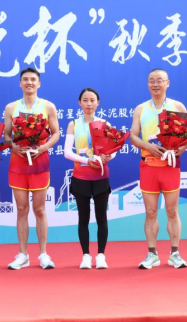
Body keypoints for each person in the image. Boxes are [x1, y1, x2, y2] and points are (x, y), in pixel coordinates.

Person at [130, 68, 187, 269]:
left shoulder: (177, 106)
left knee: (172, 211)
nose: (155, 84)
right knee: (150, 212)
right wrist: (149, 146)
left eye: (159, 80)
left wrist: (180, 149)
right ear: (148, 84)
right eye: (151, 81)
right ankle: (152, 254)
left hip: (170, 165)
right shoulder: (141, 109)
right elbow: (133, 136)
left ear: (168, 83)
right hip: (149, 164)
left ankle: (175, 253)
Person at [3, 67, 60, 269]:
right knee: (21, 209)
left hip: (39, 161)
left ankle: (43, 254)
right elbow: (6, 135)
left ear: (39, 83)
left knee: (39, 209)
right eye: (25, 79)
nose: (29, 82)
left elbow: (56, 133)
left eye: (33, 79)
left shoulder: (48, 106)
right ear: (20, 83)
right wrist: (13, 146)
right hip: (18, 162)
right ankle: (22, 254)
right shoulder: (11, 108)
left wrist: (43, 147)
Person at [63, 88, 114, 269]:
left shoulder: (105, 124)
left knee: (101, 217)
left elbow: (112, 150)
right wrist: (87, 160)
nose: (89, 104)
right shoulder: (73, 124)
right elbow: (67, 152)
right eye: (85, 100)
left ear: (98, 103)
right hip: (81, 176)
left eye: (92, 100)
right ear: (80, 103)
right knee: (83, 218)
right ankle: (85, 255)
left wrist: (107, 157)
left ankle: (101, 255)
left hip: (100, 176)